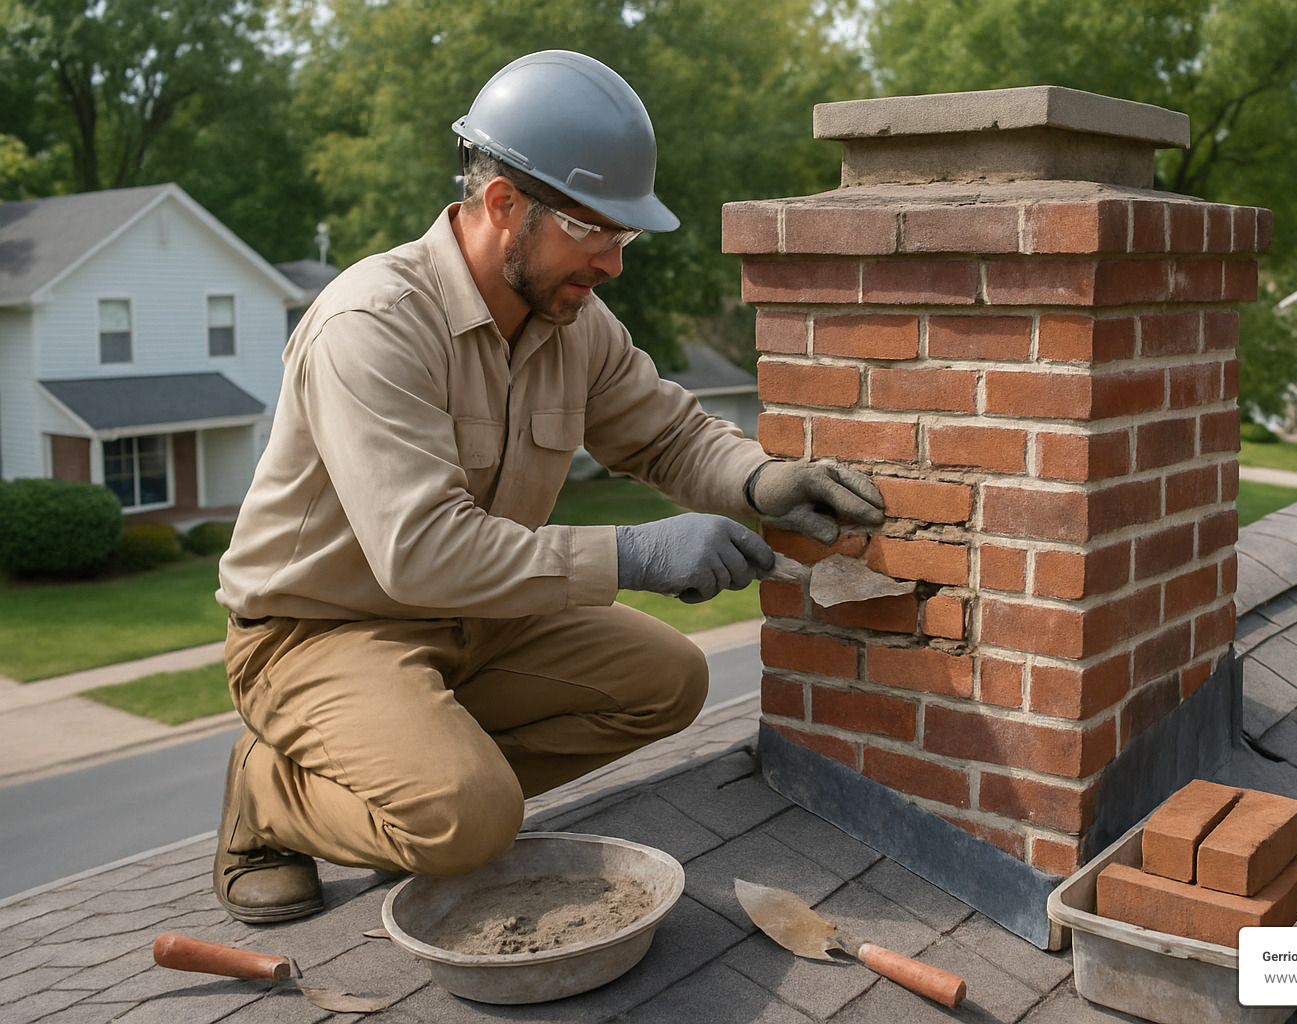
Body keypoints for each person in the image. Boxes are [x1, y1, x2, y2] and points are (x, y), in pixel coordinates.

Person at [211, 49, 885, 923]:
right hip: (322, 633)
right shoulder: (371, 325)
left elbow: (669, 433)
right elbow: (422, 555)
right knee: (469, 821)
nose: (613, 263)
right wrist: (639, 551)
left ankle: (402, 779)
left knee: (669, 681)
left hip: (478, 617)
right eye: (595, 231)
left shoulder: (573, 320)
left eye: (623, 236)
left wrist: (762, 481)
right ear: (503, 205)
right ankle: (269, 793)